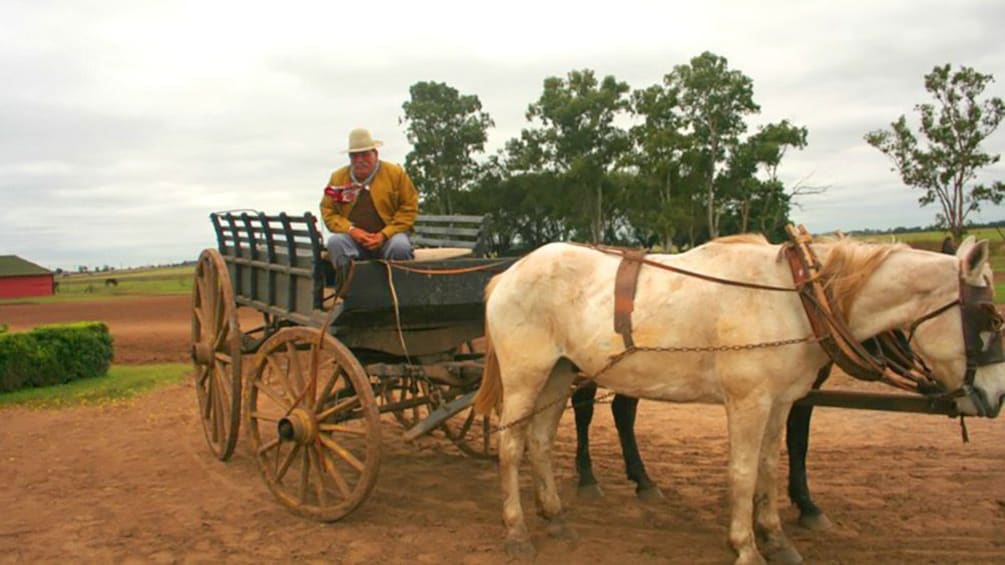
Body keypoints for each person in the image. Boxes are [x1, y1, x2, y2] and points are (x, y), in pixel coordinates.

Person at [320, 128, 418, 269]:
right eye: (354, 156)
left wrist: (384, 234)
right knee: (335, 243)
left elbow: (409, 208)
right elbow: (328, 210)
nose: (359, 160)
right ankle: (349, 287)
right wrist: (352, 230)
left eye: (365, 154)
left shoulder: (396, 174)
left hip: (390, 238)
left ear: (375, 154)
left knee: (400, 247)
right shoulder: (337, 178)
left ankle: (399, 288)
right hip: (353, 240)